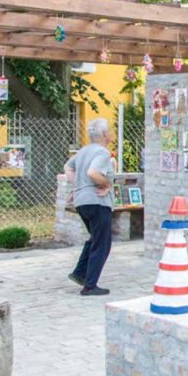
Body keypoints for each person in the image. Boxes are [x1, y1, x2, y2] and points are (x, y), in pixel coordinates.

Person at [65, 118, 115, 296]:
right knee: (102, 243)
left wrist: (79, 186)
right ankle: (90, 285)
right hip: (97, 201)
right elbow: (93, 173)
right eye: (108, 131)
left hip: (81, 202)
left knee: (94, 238)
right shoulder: (102, 152)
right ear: (103, 135)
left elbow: (68, 168)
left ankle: (79, 273)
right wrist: (106, 184)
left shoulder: (83, 151)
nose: (110, 134)